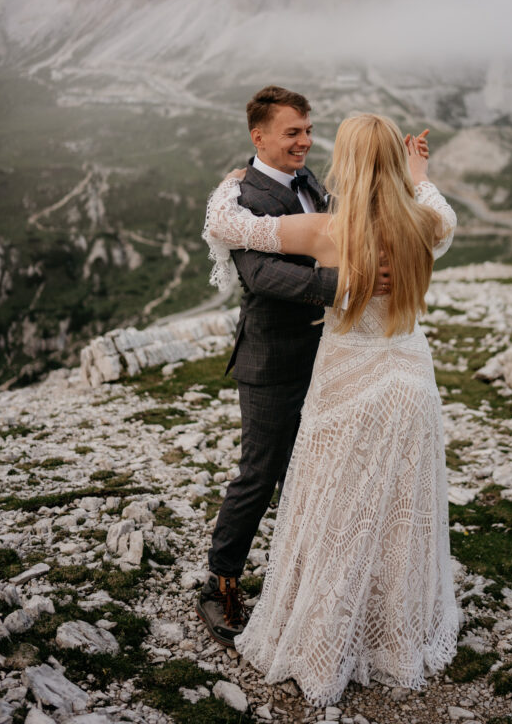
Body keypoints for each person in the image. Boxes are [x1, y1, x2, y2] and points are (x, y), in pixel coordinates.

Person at [202, 113, 460, 707]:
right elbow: (438, 210)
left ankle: (329, 626)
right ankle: (395, 628)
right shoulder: (425, 221)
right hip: (410, 381)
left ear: (345, 162)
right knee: (398, 506)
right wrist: (419, 173)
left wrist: (229, 180)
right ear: (395, 164)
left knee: (337, 505)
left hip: (347, 382)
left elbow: (226, 223)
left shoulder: (326, 229)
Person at [196, 86, 395, 648]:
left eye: (308, 130)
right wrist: (345, 286)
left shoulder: (310, 183)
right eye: (293, 132)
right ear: (259, 137)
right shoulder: (243, 197)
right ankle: (220, 582)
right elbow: (262, 278)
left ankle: (303, 583)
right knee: (259, 474)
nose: (306, 141)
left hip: (329, 356)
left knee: (312, 474)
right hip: (273, 360)